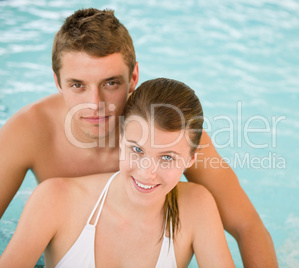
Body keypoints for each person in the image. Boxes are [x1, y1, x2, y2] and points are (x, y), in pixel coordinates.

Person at [0, 8, 277, 267]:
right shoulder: (28, 132)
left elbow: (247, 226)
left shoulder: (171, 135)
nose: (95, 103)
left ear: (133, 77)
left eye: (111, 83)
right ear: (57, 81)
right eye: (77, 85)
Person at [0, 78, 236, 267]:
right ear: (121, 140)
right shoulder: (54, 199)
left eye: (166, 158)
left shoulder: (197, 208)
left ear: (190, 160)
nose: (147, 172)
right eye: (137, 149)